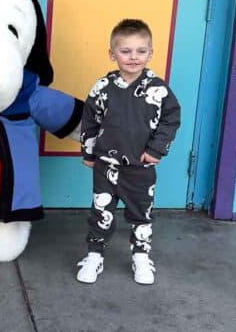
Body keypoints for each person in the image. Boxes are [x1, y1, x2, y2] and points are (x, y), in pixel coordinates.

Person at [76, 19, 180, 285]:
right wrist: (89, 153)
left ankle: (141, 256)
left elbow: (170, 120)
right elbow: (90, 121)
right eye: (126, 51)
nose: (133, 57)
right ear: (113, 54)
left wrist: (156, 150)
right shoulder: (102, 88)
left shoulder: (159, 90)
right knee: (101, 213)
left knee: (141, 214)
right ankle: (94, 255)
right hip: (106, 166)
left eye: (141, 51)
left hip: (140, 167)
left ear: (150, 53)